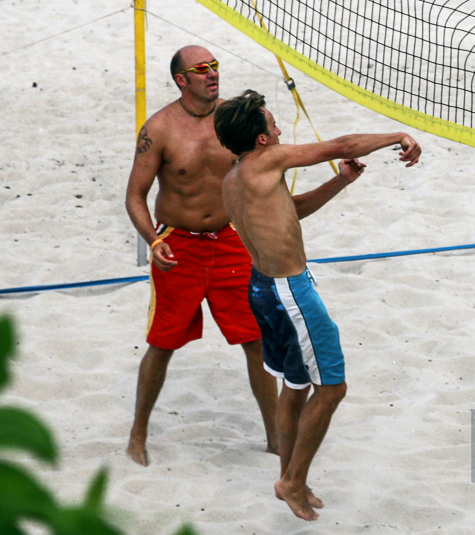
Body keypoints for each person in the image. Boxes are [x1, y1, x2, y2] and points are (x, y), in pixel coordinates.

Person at [214, 89, 421, 522]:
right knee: (333, 389)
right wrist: (397, 135)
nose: (277, 127)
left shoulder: (234, 179)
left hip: (263, 288)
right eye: (272, 124)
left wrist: (340, 181)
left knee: (295, 386)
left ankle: (290, 478)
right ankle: (292, 480)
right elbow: (341, 145)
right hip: (290, 293)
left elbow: (291, 210)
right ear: (262, 141)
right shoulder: (267, 161)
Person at [123, 46, 278, 466]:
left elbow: (275, 156)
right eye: (202, 69)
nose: (212, 74)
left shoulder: (236, 118)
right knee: (162, 344)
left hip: (231, 240)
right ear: (181, 80)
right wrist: (153, 242)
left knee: (256, 341)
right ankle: (138, 436)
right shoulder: (160, 128)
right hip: (179, 245)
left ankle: (276, 439)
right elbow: (135, 196)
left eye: (215, 66)